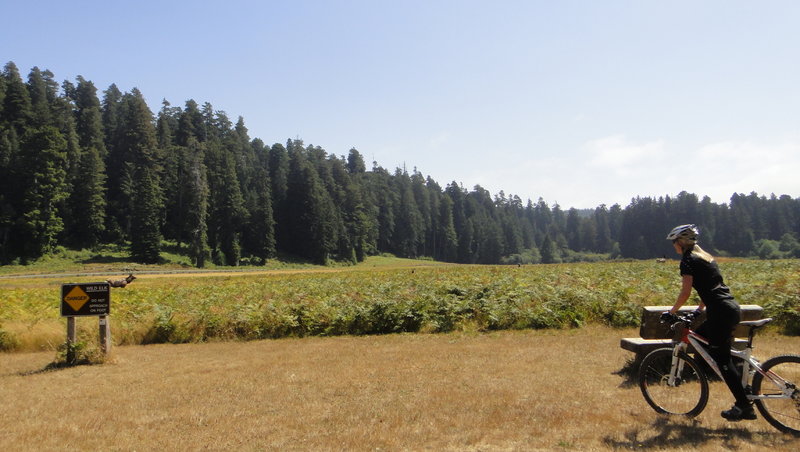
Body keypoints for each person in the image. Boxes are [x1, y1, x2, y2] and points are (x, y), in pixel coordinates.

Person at [662, 224, 755, 421]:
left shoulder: (687, 260)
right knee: (704, 338)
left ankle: (744, 406)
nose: (673, 246)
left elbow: (686, 292)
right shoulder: (706, 257)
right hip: (729, 307)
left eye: (674, 242)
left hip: (720, 311)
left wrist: (671, 312)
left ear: (680, 242)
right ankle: (742, 384)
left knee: (721, 359)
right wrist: (698, 312)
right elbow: (709, 288)